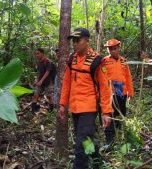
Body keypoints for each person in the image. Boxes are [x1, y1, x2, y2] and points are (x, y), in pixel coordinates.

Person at [59, 28, 113, 169]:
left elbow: (105, 87)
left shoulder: (96, 60)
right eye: (73, 41)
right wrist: (62, 104)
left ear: (87, 41)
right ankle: (97, 160)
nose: (75, 44)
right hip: (75, 106)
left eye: (78, 40)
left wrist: (106, 112)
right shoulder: (72, 58)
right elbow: (66, 82)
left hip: (89, 108)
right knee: (85, 139)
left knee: (80, 144)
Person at [102, 39, 134, 149]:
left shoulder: (124, 61)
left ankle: (118, 134)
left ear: (119, 48)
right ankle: (109, 139)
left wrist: (130, 92)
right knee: (109, 114)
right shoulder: (104, 61)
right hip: (110, 93)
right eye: (110, 49)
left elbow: (128, 77)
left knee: (121, 113)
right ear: (108, 50)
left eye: (115, 48)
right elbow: (102, 76)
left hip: (122, 92)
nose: (113, 51)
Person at [32, 48, 56, 113]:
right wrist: (37, 80)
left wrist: (41, 81)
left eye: (38, 53)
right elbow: (39, 73)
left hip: (48, 82)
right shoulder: (39, 62)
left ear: (42, 53)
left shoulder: (47, 61)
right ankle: (33, 110)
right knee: (35, 95)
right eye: (36, 54)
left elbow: (48, 71)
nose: (36, 55)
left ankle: (51, 109)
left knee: (49, 96)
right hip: (40, 82)